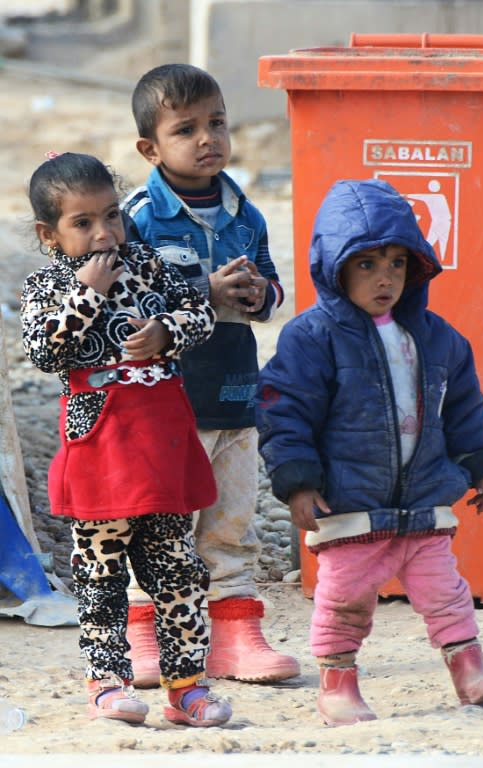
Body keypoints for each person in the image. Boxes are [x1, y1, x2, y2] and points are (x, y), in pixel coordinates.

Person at [255, 178, 483, 726]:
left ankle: (469, 671)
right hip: (350, 507)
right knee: (344, 601)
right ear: (335, 267)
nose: (386, 278)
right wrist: (299, 480)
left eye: (398, 263)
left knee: (446, 594)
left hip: (423, 503)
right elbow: (285, 410)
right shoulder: (312, 337)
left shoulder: (440, 337)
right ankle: (338, 686)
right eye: (367, 264)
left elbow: (462, 406)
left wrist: (480, 458)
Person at [20, 151, 232, 728]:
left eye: (111, 215)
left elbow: (202, 313)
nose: (102, 231)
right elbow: (44, 351)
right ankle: (107, 683)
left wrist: (168, 330)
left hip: (159, 436)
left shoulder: (151, 266)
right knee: (100, 572)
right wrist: (86, 294)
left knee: (179, 570)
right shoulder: (48, 285)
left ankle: (187, 687)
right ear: (49, 234)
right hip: (99, 445)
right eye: (81, 222)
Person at [121, 63, 300, 686]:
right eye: (187, 128)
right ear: (151, 147)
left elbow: (276, 288)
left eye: (217, 123)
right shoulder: (139, 217)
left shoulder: (244, 212)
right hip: (164, 402)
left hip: (233, 395)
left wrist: (258, 295)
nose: (208, 139)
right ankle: (146, 637)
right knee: (161, 518)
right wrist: (203, 287)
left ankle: (234, 638)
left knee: (231, 519)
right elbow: (124, 300)